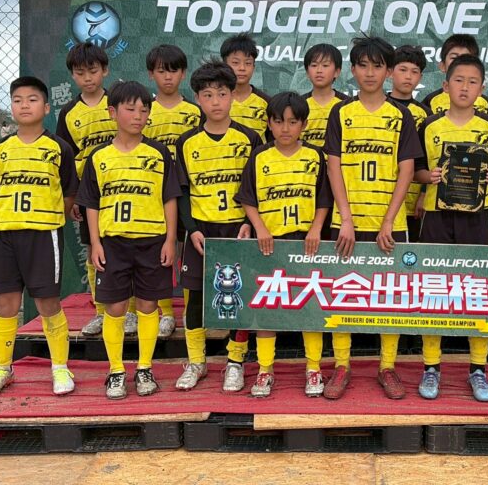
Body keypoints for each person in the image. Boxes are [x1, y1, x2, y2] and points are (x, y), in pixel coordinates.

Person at [322, 35, 422, 400]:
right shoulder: (341, 112)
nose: (369, 72)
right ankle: (341, 365)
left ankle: (387, 366)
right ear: (352, 70)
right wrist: (346, 219)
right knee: (341, 293)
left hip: (389, 224)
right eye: (362, 65)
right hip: (347, 221)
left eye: (377, 66)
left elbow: (407, 171)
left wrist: (389, 221)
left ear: (388, 72)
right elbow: (333, 167)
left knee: (390, 296)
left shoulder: (401, 116)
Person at [77, 81, 181, 399]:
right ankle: (116, 370)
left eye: (144, 110)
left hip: (152, 240)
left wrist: (170, 240)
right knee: (116, 306)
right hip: (113, 243)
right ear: (113, 112)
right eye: (130, 109)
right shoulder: (99, 157)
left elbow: (169, 199)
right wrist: (95, 242)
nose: (138, 115)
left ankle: (145, 368)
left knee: (149, 305)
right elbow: (91, 204)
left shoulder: (158, 153)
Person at [414, 54, 488, 402]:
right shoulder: (430, 125)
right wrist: (428, 176)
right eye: (458, 80)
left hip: (478, 214)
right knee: (433, 288)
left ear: (482, 88)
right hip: (437, 213)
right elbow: (416, 169)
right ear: (445, 86)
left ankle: (478, 368)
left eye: (472, 82)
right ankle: (431, 366)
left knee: (479, 288)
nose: (465, 87)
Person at [0, 76, 77, 397]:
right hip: (6, 235)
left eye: (32, 100)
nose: (24, 105)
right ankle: (2, 369)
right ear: (11, 107)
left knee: (47, 302)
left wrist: (48, 217)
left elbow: (68, 194)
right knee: (5, 303)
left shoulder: (59, 148)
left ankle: (60, 367)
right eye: (17, 100)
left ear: (46, 107)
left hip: (43, 235)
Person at [235, 92, 332, 397]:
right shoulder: (259, 156)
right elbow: (248, 198)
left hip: (306, 243)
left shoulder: (315, 156)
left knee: (310, 308)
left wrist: (316, 228)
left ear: (304, 124)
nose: (285, 128)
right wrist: (260, 227)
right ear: (269, 123)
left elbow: (324, 199)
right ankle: (265, 370)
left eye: (292, 122)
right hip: (270, 244)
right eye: (279, 122)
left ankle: (313, 368)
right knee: (267, 309)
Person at [174, 61, 260, 392]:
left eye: (222, 94)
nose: (216, 101)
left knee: (241, 298)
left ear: (232, 96)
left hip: (237, 230)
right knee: (196, 299)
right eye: (208, 95)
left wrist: (248, 223)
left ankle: (235, 362)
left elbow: (256, 189)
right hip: (201, 232)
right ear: (197, 99)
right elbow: (182, 192)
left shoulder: (249, 138)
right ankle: (196, 361)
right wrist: (191, 228)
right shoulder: (187, 142)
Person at [56, 42, 117, 338]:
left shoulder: (118, 103)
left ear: (105, 70)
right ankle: (101, 311)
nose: (87, 78)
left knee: (126, 249)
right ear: (72, 76)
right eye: (80, 73)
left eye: (93, 71)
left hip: (122, 189)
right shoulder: (69, 113)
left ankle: (130, 312)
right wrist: (75, 198)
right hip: (88, 194)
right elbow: (66, 161)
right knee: (94, 250)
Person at [142, 44, 201, 340]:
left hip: (188, 192)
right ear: (151, 74)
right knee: (161, 252)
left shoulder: (195, 112)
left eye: (174, 71)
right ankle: (166, 312)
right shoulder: (144, 111)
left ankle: (191, 311)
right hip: (154, 194)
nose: (168, 77)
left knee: (186, 250)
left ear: (183, 74)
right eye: (161, 71)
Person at [388, 44, 430, 241]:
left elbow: (430, 159)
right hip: (382, 196)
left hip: (414, 201)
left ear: (420, 77)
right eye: (403, 70)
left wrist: (424, 194)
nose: (408, 77)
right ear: (390, 72)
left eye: (414, 72)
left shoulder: (426, 114)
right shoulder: (379, 106)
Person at [421, 34, 488, 115]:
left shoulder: (485, 102)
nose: (459, 62)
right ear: (442, 65)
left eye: (465, 58)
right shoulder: (430, 101)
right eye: (454, 58)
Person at [221, 33, 272, 140]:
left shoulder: (267, 102)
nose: (242, 68)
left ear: (254, 67)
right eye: (235, 62)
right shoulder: (216, 101)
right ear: (224, 65)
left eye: (248, 63)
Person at [301, 43, 350, 150]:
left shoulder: (347, 105)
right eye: (314, 65)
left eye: (325, 65)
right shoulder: (298, 105)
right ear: (307, 72)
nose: (319, 70)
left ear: (337, 72)